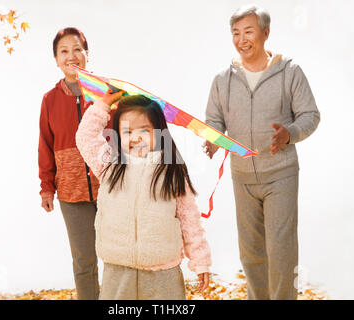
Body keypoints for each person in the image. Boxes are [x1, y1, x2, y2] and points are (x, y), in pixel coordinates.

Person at [203, 5, 320, 300]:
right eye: (236, 33)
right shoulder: (222, 79)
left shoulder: (289, 72)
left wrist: (289, 134)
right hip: (242, 176)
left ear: (265, 33)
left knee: (280, 251)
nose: (242, 39)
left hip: (280, 174)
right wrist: (213, 139)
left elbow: (310, 115)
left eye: (249, 32)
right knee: (251, 253)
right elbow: (214, 120)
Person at [76, 91, 211, 300]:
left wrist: (200, 260)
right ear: (118, 133)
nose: (136, 137)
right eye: (127, 131)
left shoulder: (171, 171)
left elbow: (189, 219)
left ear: (159, 132)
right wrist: (103, 105)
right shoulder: (109, 164)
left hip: (163, 273)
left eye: (144, 130)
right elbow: (85, 137)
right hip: (118, 268)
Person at [38, 27, 114, 300]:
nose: (72, 56)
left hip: (110, 188)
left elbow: (123, 137)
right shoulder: (49, 100)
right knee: (84, 262)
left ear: (87, 54)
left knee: (118, 259)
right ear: (56, 59)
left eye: (77, 49)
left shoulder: (107, 92)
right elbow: (45, 146)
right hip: (71, 193)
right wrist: (47, 188)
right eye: (64, 51)